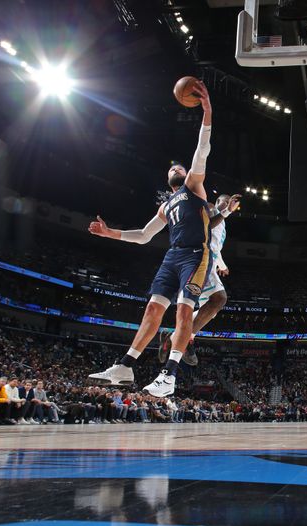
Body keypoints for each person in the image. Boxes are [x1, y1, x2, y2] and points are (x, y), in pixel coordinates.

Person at [87, 80, 216, 398]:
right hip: (171, 256)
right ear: (167, 178)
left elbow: (202, 150)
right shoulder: (166, 205)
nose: (176, 167)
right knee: (152, 310)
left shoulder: (193, 188)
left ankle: (169, 375)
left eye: (180, 166)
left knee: (184, 311)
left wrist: (207, 113)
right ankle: (125, 365)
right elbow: (144, 236)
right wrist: (110, 233)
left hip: (194, 255)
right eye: (172, 167)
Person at [158, 193, 241, 366]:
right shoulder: (210, 208)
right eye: (224, 202)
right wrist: (226, 210)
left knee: (212, 308)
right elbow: (207, 226)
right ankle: (185, 338)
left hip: (209, 261)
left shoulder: (223, 223)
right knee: (219, 299)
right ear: (217, 203)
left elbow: (215, 246)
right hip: (199, 260)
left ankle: (174, 336)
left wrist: (222, 265)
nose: (227, 204)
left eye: (229, 203)